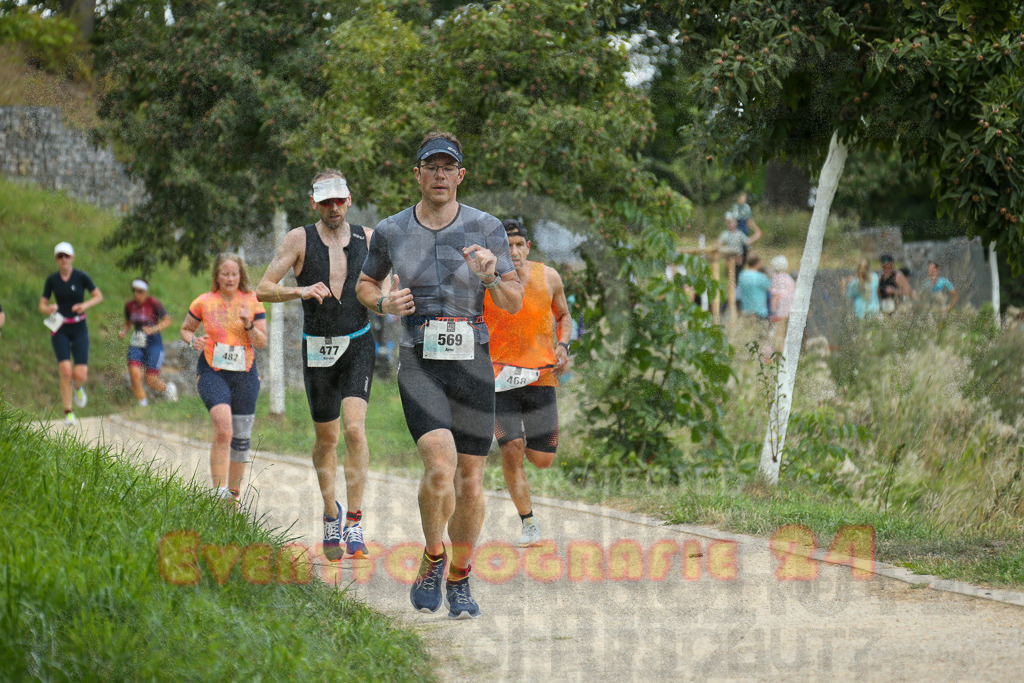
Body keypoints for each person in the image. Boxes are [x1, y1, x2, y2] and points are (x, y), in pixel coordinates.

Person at [356, 132, 524, 620]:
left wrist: (492, 277)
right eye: (431, 167)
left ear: (461, 175)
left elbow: (511, 302)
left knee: (471, 480)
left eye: (448, 168)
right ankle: (434, 555)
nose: (440, 176)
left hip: (472, 361)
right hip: (419, 360)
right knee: (440, 465)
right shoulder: (390, 230)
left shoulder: (486, 227)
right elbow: (367, 284)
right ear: (418, 174)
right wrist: (383, 302)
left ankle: (461, 575)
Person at [256, 169, 375, 562]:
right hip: (318, 349)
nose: (334, 208)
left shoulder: (368, 238)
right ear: (314, 204)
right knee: (327, 440)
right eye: (326, 202)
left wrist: (387, 299)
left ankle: (355, 521)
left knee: (355, 432)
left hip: (358, 343)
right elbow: (262, 288)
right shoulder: (298, 239)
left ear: (349, 199)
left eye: (339, 200)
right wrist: (300, 289)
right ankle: (331, 513)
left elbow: (385, 285)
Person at [482, 219, 572, 547]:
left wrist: (562, 346)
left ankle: (531, 460)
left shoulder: (549, 277)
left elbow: (563, 316)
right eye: (508, 245)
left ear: (528, 248)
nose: (515, 252)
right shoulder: (486, 283)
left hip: (540, 376)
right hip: (498, 379)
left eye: (520, 245)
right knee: (511, 448)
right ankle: (528, 522)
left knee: (542, 458)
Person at [180, 253, 267, 505]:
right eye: (224, 273)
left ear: (241, 276)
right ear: (216, 276)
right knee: (223, 428)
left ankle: (233, 498)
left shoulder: (252, 301)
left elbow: (261, 342)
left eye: (234, 273)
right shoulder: (203, 302)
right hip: (211, 371)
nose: (229, 278)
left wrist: (248, 325)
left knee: (240, 436)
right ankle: (218, 496)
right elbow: (186, 329)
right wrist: (192, 341)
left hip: (245, 376)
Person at [39, 241, 103, 426]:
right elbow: (41, 305)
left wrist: (84, 305)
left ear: (72, 258)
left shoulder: (81, 277)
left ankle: (79, 387)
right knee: (66, 371)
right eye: (60, 256)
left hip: (79, 327)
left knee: (79, 373)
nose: (64, 259)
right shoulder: (52, 280)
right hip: (59, 328)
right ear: (56, 260)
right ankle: (68, 412)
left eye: (66, 256)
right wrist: (48, 308)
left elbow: (98, 296)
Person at [118, 278, 178, 406]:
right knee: (134, 374)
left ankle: (168, 388)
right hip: (137, 342)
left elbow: (168, 320)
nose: (136, 294)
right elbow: (128, 323)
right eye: (134, 291)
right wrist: (123, 331)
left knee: (150, 380)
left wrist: (153, 329)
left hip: (153, 343)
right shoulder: (129, 305)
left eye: (139, 291)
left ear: (145, 292)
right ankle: (142, 405)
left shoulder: (153, 303)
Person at [769, 255, 796, 354]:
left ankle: (779, 357)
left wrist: (773, 312)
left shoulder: (775, 279)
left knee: (778, 336)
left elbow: (775, 296)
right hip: (790, 311)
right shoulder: (789, 278)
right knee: (785, 336)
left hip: (780, 312)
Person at [737, 255, 771, 319]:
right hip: (760, 310)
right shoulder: (761, 277)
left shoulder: (742, 275)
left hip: (746, 309)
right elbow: (770, 289)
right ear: (757, 263)